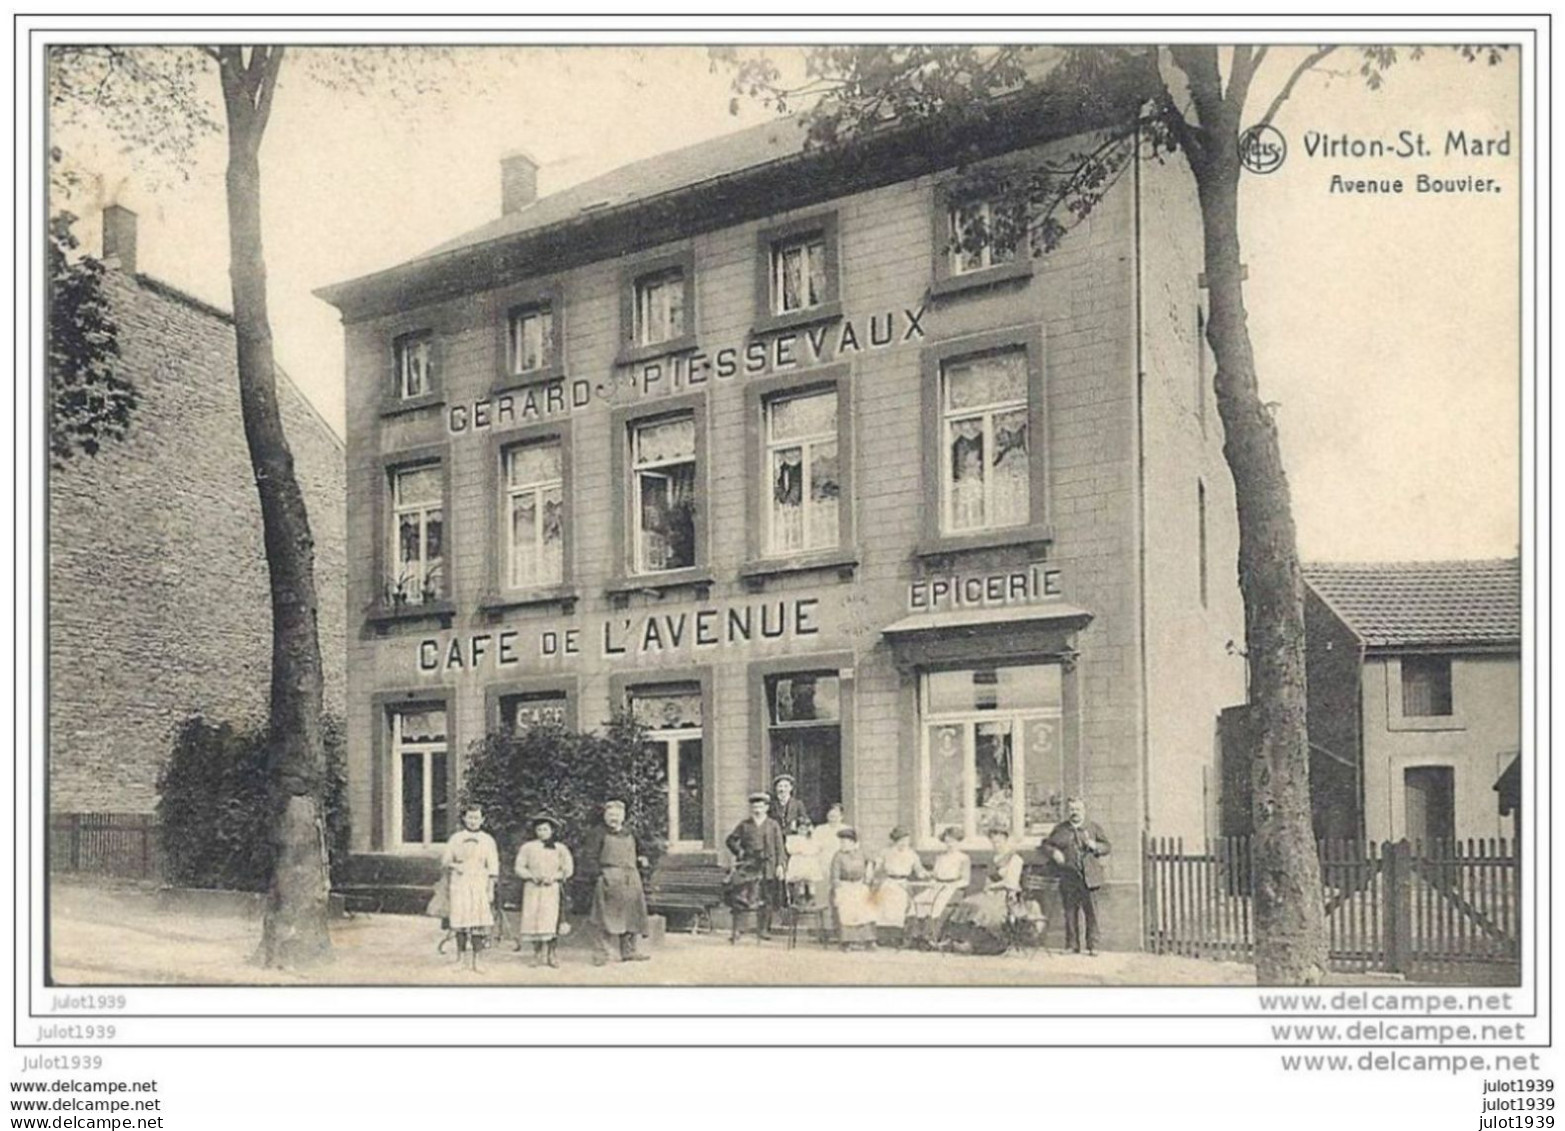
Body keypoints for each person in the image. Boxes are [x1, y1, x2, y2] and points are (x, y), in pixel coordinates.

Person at [578, 799, 651, 966]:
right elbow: (589, 857)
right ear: (604, 816)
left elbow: (641, 851)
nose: (614, 818)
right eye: (610, 814)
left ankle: (629, 950)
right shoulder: (598, 833)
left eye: (617, 814)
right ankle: (601, 953)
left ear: (623, 816)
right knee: (604, 917)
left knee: (632, 915)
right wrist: (599, 875)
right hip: (608, 878)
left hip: (631, 878)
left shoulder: (630, 832)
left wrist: (643, 860)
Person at [943, 825, 1025, 956]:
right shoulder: (994, 859)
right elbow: (988, 880)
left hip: (1008, 896)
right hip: (991, 893)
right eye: (993, 843)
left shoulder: (1015, 859)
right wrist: (988, 888)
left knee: (982, 908)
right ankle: (961, 940)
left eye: (999, 842)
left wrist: (992, 887)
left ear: (1006, 840)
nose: (996, 845)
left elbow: (1011, 882)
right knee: (968, 902)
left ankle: (977, 943)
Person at [1045, 797, 1111, 956]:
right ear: (1068, 811)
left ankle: (1093, 946)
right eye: (1072, 809)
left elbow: (1107, 847)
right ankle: (1071, 945)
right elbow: (1046, 845)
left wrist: (1095, 846)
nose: (1075, 812)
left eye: (1078, 809)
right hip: (1069, 878)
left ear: (1084, 810)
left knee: (1092, 913)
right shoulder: (1060, 829)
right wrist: (1053, 852)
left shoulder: (1093, 828)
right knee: (1070, 912)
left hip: (1090, 878)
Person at [441, 805, 499, 970]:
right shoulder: (456, 838)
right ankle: (460, 959)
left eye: (476, 818)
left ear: (482, 820)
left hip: (479, 882)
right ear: (464, 819)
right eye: (470, 817)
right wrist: (455, 865)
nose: (473, 821)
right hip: (460, 883)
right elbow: (445, 861)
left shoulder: (488, 840)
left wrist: (490, 889)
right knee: (460, 921)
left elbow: (493, 867)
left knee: (477, 922)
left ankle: (477, 960)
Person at [724, 791, 786, 942]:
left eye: (761, 806)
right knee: (741, 897)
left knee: (767, 898)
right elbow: (730, 840)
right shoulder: (745, 825)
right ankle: (738, 930)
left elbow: (780, 847)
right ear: (751, 808)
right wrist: (740, 852)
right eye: (755, 806)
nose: (757, 809)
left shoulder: (773, 825)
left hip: (768, 866)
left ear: (766, 808)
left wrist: (780, 865)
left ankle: (763, 929)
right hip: (749, 866)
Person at [514, 814, 574, 968]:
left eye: (545, 829)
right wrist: (531, 876)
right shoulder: (528, 847)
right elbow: (519, 867)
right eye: (539, 829)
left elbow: (568, 869)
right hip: (533, 889)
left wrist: (554, 877)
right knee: (534, 920)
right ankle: (537, 954)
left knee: (551, 920)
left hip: (551, 889)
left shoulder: (560, 848)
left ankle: (552, 954)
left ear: (552, 831)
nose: (542, 832)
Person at [907, 826, 972, 948]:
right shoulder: (940, 857)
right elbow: (935, 875)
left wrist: (950, 885)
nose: (950, 844)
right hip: (937, 885)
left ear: (958, 842)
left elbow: (965, 880)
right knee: (918, 901)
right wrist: (928, 876)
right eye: (947, 841)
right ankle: (916, 936)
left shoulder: (963, 858)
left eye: (953, 841)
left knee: (937, 903)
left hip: (953, 888)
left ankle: (932, 937)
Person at [871, 826, 928, 945]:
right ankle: (883, 937)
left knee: (901, 910)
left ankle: (898, 937)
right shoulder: (886, 852)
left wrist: (926, 874)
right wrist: (874, 870)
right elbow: (877, 868)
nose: (903, 843)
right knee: (884, 909)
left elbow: (919, 870)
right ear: (895, 841)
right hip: (889, 882)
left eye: (906, 840)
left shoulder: (911, 854)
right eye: (901, 841)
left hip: (903, 884)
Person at [830, 826, 877, 951]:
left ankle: (869, 940)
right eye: (841, 841)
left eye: (845, 841)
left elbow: (871, 861)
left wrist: (869, 874)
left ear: (853, 843)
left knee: (866, 909)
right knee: (847, 910)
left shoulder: (861, 853)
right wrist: (838, 890)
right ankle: (847, 942)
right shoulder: (838, 856)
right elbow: (834, 876)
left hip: (859, 885)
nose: (843, 844)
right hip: (845, 886)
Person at [784, 814, 823, 908]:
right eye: (800, 829)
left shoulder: (812, 839)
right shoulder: (792, 839)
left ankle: (811, 898)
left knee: (810, 881)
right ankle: (800, 897)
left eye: (805, 829)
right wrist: (801, 850)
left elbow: (817, 849)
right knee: (800, 880)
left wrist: (807, 850)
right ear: (796, 829)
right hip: (798, 861)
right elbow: (791, 849)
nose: (802, 831)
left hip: (809, 862)